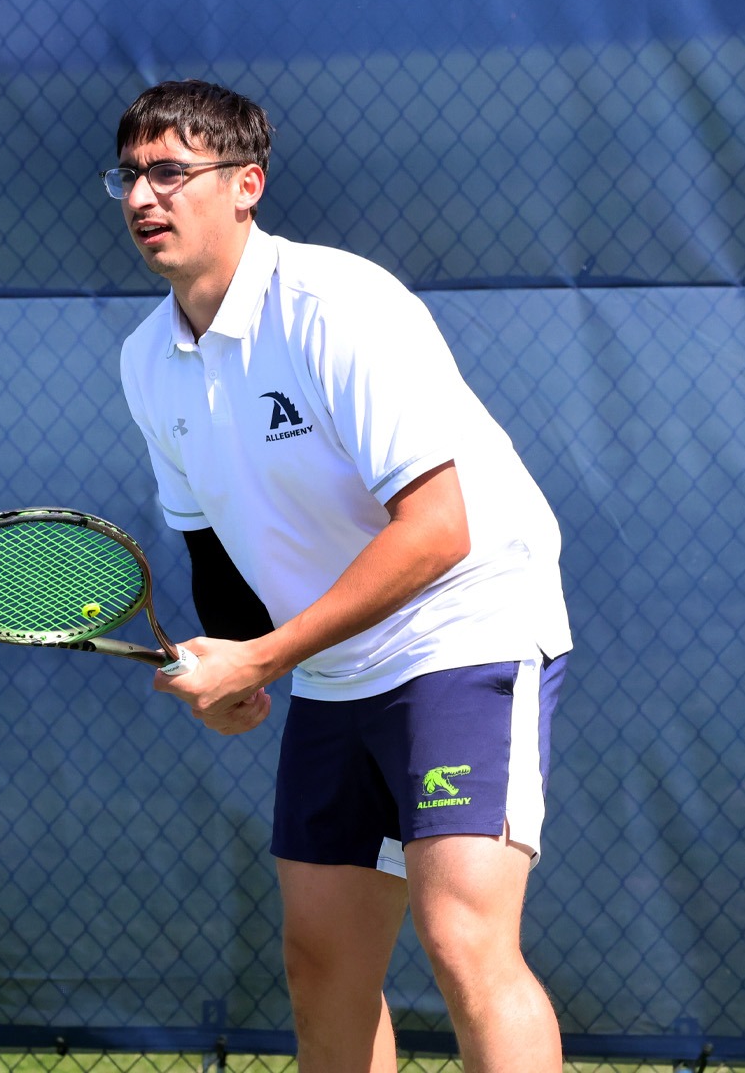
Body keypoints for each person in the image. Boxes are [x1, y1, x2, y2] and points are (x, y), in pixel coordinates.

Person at [109, 80, 571, 1072]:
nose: (145, 198)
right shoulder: (148, 361)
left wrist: (265, 654)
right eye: (132, 176)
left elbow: (440, 529)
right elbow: (212, 547)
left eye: (172, 173)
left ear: (247, 186)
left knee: (462, 940)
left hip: (464, 632)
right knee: (322, 961)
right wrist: (245, 663)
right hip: (334, 666)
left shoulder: (338, 307)